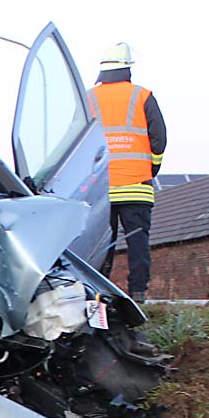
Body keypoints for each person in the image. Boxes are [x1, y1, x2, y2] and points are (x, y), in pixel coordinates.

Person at [88, 42, 167, 302]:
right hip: (136, 185)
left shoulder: (87, 99)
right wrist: (151, 168)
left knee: (101, 244)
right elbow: (159, 139)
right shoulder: (143, 96)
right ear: (128, 69)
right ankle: (138, 292)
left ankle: (97, 292)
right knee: (137, 241)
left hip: (100, 189)